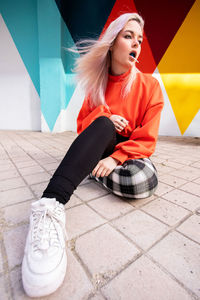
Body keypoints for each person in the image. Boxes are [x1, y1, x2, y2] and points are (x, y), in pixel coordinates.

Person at [22, 12, 164, 297]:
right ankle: (50, 205)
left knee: (143, 181)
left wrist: (115, 158)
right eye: (128, 36)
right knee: (100, 122)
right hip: (101, 141)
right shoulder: (96, 88)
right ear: (112, 43)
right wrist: (107, 117)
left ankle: (89, 168)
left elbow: (147, 139)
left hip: (129, 153)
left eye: (139, 39)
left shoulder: (150, 86)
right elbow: (82, 126)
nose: (136, 43)